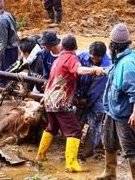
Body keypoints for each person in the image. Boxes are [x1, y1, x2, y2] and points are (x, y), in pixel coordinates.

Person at [36, 35, 105, 173]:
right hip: (60, 101)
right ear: (76, 47)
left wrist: (44, 97)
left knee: (52, 127)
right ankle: (71, 164)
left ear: (62, 46)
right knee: (74, 131)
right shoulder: (71, 58)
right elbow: (79, 70)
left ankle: (41, 155)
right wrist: (94, 69)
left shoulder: (58, 58)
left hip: (50, 99)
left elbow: (50, 79)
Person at [95, 23, 135, 180]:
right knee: (108, 141)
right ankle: (110, 172)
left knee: (129, 148)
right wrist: (100, 70)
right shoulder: (119, 59)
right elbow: (113, 72)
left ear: (114, 44)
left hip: (123, 113)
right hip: (112, 110)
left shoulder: (127, 64)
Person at [76, 41, 111, 158]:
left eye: (98, 59)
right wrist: (77, 97)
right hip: (82, 92)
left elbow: (96, 89)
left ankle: (87, 152)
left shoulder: (106, 66)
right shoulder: (81, 57)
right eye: (92, 58)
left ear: (102, 56)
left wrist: (85, 101)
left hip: (98, 97)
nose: (95, 60)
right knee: (78, 121)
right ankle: (72, 149)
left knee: (95, 124)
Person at [0, 0, 19, 87]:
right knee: (11, 73)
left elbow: (2, 42)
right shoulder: (8, 15)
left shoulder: (1, 21)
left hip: (7, 51)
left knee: (4, 75)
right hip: (13, 48)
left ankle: (5, 94)